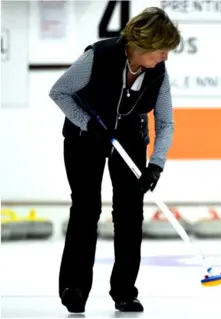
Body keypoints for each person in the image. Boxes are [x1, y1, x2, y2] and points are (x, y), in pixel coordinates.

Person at [48, 7, 181, 314]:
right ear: (142, 44)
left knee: (130, 215)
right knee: (85, 208)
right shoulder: (99, 56)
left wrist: (156, 164)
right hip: (86, 136)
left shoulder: (157, 73)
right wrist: (86, 123)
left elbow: (166, 123)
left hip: (130, 139)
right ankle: (74, 287)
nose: (165, 57)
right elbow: (60, 91)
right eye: (162, 50)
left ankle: (124, 291)